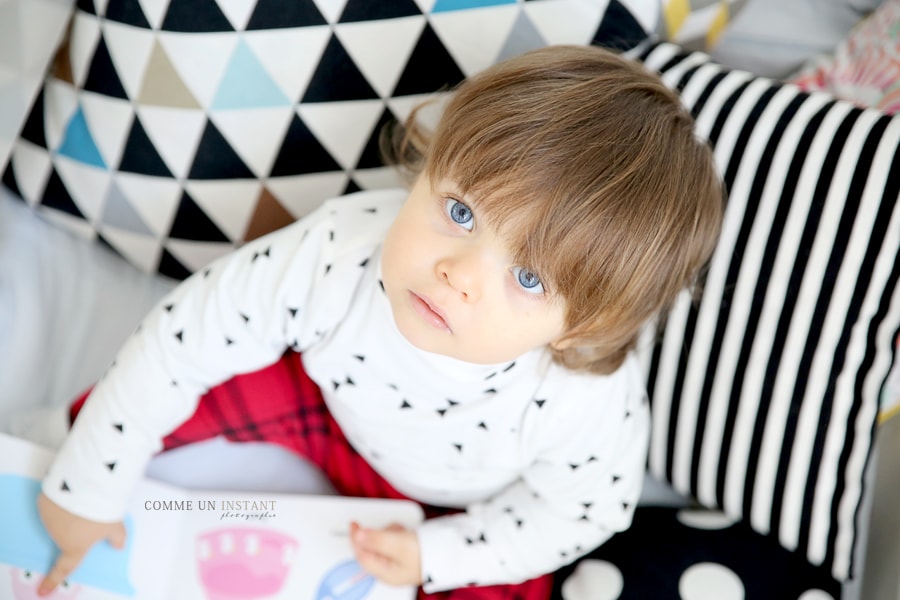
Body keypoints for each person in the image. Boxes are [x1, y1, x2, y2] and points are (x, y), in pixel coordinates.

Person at [35, 44, 723, 598]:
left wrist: (437, 554)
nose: (458, 272)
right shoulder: (338, 252)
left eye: (528, 278)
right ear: (428, 166)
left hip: (457, 507)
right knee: (129, 403)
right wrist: (87, 488)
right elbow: (181, 340)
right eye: (460, 212)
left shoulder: (582, 400)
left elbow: (582, 514)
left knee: (510, 586)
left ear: (579, 329)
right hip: (325, 402)